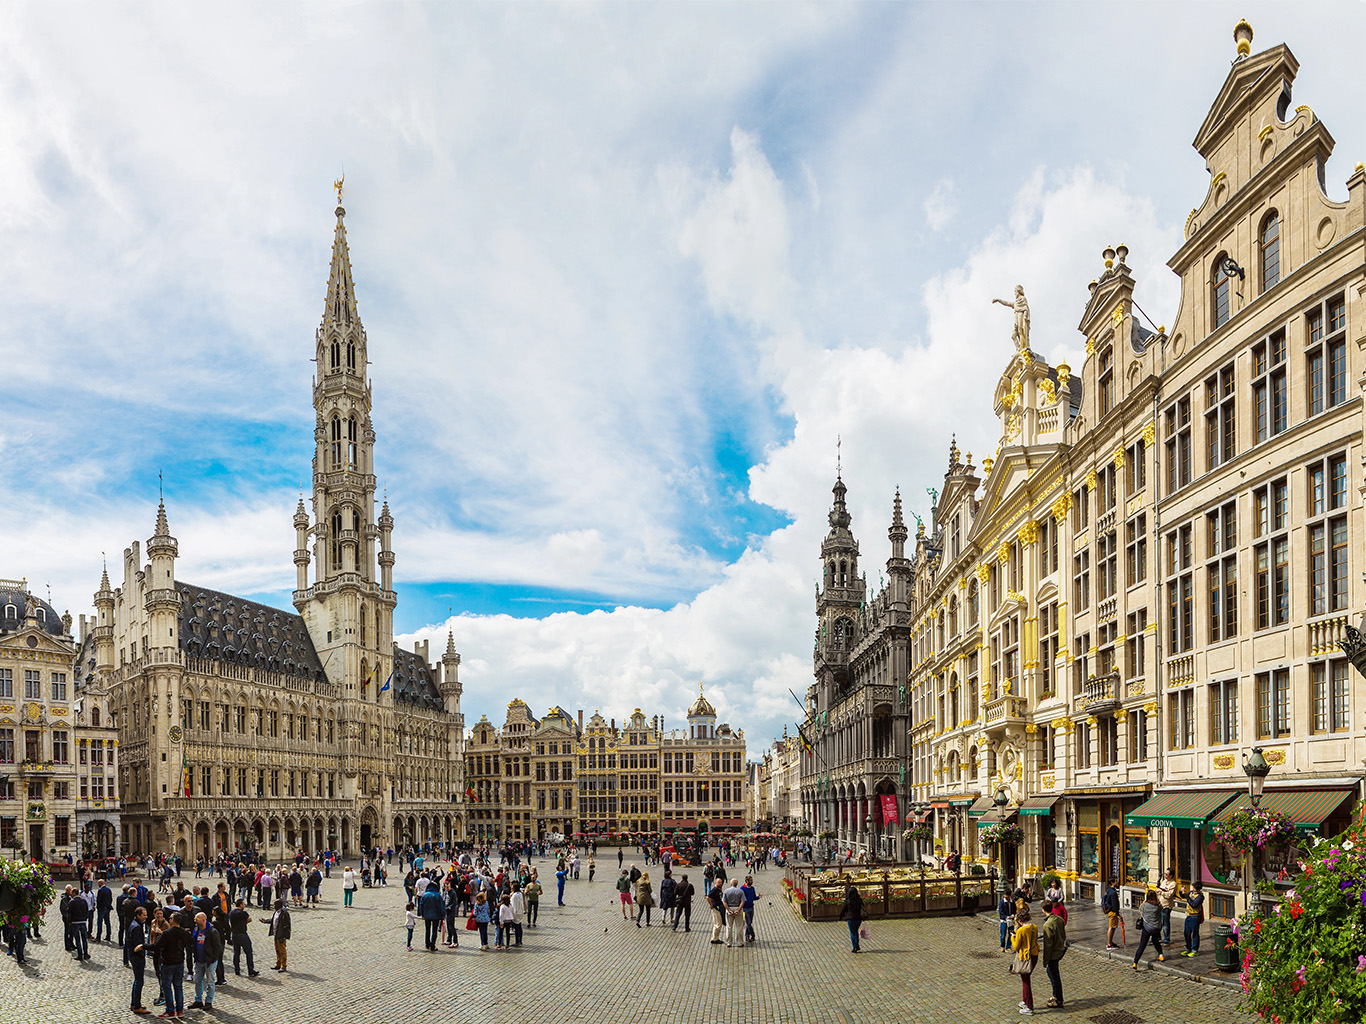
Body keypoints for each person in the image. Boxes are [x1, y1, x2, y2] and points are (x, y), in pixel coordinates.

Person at [153, 912, 189, 1019]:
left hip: (168, 963)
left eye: (170, 918)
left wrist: (143, 946)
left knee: (167, 987)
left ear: (172, 920)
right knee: (178, 987)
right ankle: (180, 1010)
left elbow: (156, 946)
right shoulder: (183, 932)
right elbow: (190, 942)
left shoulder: (167, 933)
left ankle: (170, 1011)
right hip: (179, 962)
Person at [189, 911, 222, 1012]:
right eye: (195, 919)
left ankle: (208, 1001)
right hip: (199, 960)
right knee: (197, 980)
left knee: (210, 982)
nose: (195, 921)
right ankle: (198, 1000)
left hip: (209, 961)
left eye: (197, 919)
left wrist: (213, 959)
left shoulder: (212, 932)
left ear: (203, 920)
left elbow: (218, 947)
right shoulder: (196, 929)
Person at [1012, 905, 1040, 1015]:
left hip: (1025, 957)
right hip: (1034, 954)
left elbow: (1016, 947)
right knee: (1026, 979)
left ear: (1020, 920)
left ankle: (1029, 1007)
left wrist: (1013, 937)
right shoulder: (1034, 927)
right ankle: (1025, 1001)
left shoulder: (1020, 931)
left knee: (1026, 982)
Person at [1039, 899, 1066, 1009]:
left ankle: (1059, 999)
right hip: (1060, 950)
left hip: (1053, 953)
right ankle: (1056, 995)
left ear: (1043, 910)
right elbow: (1063, 935)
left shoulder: (1047, 925)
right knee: (1053, 973)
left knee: (1054, 976)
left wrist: (1045, 960)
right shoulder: (1059, 919)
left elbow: (1048, 945)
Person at [1132, 889, 1164, 968]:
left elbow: (1140, 910)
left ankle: (1135, 962)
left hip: (1147, 928)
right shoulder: (1158, 906)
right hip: (1156, 927)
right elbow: (1161, 908)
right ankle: (1161, 954)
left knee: (1142, 945)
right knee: (1155, 941)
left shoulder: (1144, 905)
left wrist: (1144, 902)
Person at [127, 906, 150, 1015]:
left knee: (137, 980)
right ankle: (136, 1006)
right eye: (144, 915)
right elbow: (138, 944)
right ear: (138, 915)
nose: (146, 917)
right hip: (137, 957)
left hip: (134, 956)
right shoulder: (136, 927)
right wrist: (142, 953)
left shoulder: (136, 924)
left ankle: (134, 1003)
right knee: (139, 981)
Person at [228, 898, 258, 976]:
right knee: (249, 952)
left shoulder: (231, 913)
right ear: (240, 905)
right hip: (242, 934)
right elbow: (250, 919)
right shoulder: (243, 913)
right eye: (244, 904)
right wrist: (243, 923)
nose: (244, 906)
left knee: (236, 953)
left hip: (234, 935)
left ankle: (237, 970)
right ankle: (250, 970)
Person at [261, 898, 291, 972]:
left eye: (275, 904)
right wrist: (265, 921)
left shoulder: (284, 913)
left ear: (279, 905)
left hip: (281, 935)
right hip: (276, 934)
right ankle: (278, 964)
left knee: (282, 951)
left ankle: (283, 965)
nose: (274, 906)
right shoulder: (276, 912)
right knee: (277, 950)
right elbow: (273, 920)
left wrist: (284, 936)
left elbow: (287, 926)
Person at [838, 880, 864, 954]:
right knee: (856, 931)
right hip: (858, 918)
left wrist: (840, 917)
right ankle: (857, 944)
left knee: (853, 932)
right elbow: (863, 907)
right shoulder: (859, 900)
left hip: (850, 919)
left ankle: (854, 946)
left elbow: (843, 910)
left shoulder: (848, 901)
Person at [1182, 881, 1205, 957]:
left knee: (1195, 933)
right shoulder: (1191, 892)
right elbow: (1184, 896)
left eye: (1194, 887)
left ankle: (1195, 949)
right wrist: (1181, 892)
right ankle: (1188, 947)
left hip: (1195, 916)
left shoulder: (1200, 896)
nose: (1192, 888)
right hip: (1189, 915)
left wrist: (1187, 897)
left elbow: (1193, 905)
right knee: (1186, 933)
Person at [419, 883, 444, 951]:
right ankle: (432, 945)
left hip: (427, 915)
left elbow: (421, 905)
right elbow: (441, 906)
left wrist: (422, 914)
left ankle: (427, 944)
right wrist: (443, 915)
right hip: (436, 915)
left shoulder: (425, 895)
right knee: (434, 931)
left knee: (427, 930)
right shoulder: (438, 895)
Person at [722, 878, 745, 947]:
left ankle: (729, 942)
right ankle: (740, 942)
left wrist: (728, 910)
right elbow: (743, 901)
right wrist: (738, 909)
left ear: (731, 884)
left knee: (729, 927)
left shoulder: (726, 891)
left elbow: (724, 902)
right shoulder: (740, 891)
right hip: (738, 908)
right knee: (739, 926)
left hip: (729, 908)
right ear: (737, 884)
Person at [1157, 868, 1178, 946]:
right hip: (1160, 904)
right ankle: (1158, 938)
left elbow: (1169, 895)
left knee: (1165, 923)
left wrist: (1161, 892)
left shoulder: (1173, 884)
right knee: (1158, 922)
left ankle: (1166, 939)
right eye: (1165, 874)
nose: (1165, 875)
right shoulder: (1164, 881)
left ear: (1171, 876)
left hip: (1166, 906)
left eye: (1167, 874)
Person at [1102, 877, 1122, 949]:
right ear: (1112, 883)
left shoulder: (1109, 890)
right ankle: (1109, 944)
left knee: (1112, 927)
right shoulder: (1113, 893)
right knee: (1111, 928)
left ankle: (1110, 942)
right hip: (1113, 912)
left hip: (1111, 911)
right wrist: (1118, 914)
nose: (1117, 882)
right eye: (1116, 881)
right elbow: (1114, 904)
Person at [741, 875, 759, 943]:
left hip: (751, 907)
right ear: (747, 881)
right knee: (748, 923)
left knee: (750, 923)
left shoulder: (752, 888)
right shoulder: (742, 889)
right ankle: (752, 935)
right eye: (751, 880)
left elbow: (754, 897)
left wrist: (758, 897)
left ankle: (747, 935)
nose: (752, 882)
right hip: (745, 908)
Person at [707, 879, 726, 945]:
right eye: (719, 882)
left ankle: (715, 937)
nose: (720, 883)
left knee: (718, 923)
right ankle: (714, 939)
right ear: (715, 883)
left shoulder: (718, 889)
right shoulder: (714, 890)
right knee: (718, 924)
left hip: (719, 908)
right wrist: (711, 905)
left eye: (721, 882)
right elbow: (708, 897)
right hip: (716, 908)